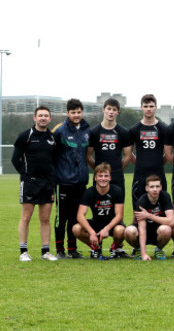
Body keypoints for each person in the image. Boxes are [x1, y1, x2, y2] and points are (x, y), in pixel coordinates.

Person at [13, 106, 59, 262]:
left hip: (47, 184)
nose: (43, 118)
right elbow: (15, 159)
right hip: (29, 183)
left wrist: (52, 177)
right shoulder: (25, 136)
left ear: (50, 119)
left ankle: (45, 251)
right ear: (35, 118)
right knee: (26, 216)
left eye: (46, 116)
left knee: (45, 218)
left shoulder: (53, 138)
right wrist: (26, 176)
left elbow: (55, 160)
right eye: (40, 115)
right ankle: (23, 251)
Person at [52, 98, 91, 259]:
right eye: (73, 112)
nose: (76, 115)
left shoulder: (87, 130)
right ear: (67, 113)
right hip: (63, 182)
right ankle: (60, 250)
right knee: (61, 217)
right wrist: (53, 181)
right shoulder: (60, 130)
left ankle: (72, 249)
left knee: (76, 217)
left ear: (82, 112)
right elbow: (52, 156)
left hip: (81, 182)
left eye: (79, 112)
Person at [72, 163, 126, 259]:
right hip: (96, 223)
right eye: (100, 176)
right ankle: (96, 248)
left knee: (121, 231)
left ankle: (114, 249)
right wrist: (91, 232)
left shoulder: (117, 191)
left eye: (106, 176)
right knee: (76, 228)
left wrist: (106, 229)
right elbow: (80, 215)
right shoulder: (89, 192)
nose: (103, 178)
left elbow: (119, 216)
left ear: (110, 178)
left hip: (112, 225)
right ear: (95, 178)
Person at [129, 94, 168, 209]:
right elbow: (128, 154)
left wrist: (158, 164)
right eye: (145, 106)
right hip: (140, 175)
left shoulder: (163, 129)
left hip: (159, 174)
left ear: (155, 107)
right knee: (138, 210)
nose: (148, 109)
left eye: (151, 106)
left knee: (160, 209)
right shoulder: (134, 129)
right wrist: (140, 164)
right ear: (141, 107)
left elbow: (168, 153)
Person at [124, 175, 174, 261]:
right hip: (143, 231)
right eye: (152, 187)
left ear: (161, 187)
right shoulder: (141, 201)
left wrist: (149, 215)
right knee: (129, 231)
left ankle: (159, 249)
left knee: (167, 229)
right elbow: (142, 229)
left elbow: (171, 221)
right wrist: (144, 254)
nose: (155, 189)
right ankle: (139, 250)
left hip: (158, 230)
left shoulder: (165, 196)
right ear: (147, 188)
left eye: (157, 186)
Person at [87, 98, 132, 193]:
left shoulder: (124, 132)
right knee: (98, 206)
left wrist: (117, 169)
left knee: (118, 207)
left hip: (117, 177)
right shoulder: (93, 132)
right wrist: (98, 170)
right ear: (103, 110)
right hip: (99, 177)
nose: (111, 112)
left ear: (118, 112)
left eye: (114, 110)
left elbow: (128, 156)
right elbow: (88, 155)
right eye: (109, 108)